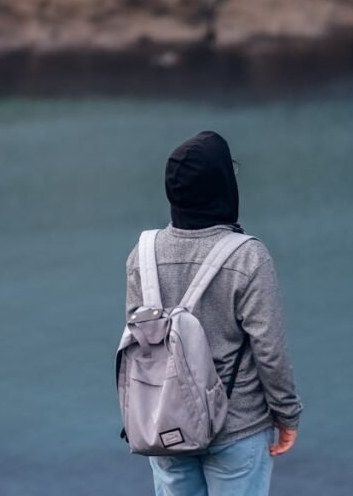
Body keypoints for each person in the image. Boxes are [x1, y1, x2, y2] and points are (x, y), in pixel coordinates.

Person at [124, 130, 303, 496]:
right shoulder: (247, 257)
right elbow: (269, 351)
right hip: (236, 427)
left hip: (164, 424)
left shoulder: (142, 255)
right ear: (221, 185)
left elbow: (139, 346)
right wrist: (287, 414)